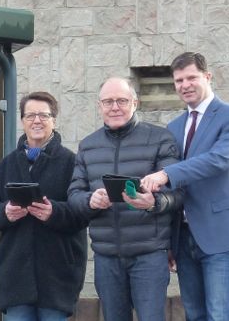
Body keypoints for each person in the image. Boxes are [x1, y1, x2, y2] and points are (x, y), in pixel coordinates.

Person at [142, 52, 229, 321]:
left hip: (223, 232)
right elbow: (174, 192)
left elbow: (219, 160)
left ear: (207, 77)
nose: (184, 85)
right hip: (184, 237)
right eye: (178, 80)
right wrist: (169, 241)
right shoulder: (173, 127)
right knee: (194, 314)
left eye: (191, 78)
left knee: (220, 315)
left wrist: (166, 174)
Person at [67, 77, 183, 321]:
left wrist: (154, 202)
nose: (115, 107)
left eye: (122, 100)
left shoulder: (161, 139)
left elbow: (178, 193)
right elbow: (74, 196)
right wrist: (90, 200)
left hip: (149, 255)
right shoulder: (88, 146)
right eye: (108, 101)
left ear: (135, 103)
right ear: (99, 106)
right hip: (107, 256)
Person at [0, 91, 88, 321]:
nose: (36, 121)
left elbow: (84, 211)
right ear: (22, 121)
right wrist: (5, 212)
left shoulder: (72, 162)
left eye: (43, 115)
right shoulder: (6, 164)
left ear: (54, 120)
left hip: (58, 276)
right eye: (30, 116)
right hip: (15, 277)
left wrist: (54, 212)